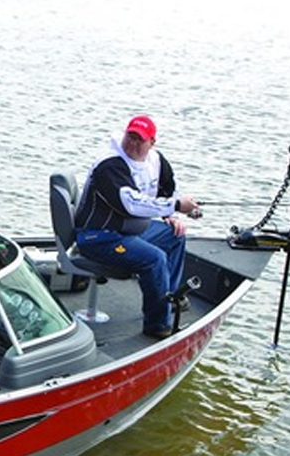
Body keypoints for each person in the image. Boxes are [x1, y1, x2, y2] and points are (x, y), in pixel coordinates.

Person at [74, 115, 202, 339]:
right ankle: (158, 325)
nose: (133, 144)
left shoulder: (156, 160)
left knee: (175, 235)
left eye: (139, 140)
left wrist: (171, 215)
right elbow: (130, 203)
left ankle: (169, 298)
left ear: (152, 143)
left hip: (130, 231)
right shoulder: (110, 165)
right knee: (154, 259)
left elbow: (167, 188)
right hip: (98, 237)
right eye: (130, 137)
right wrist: (176, 205)